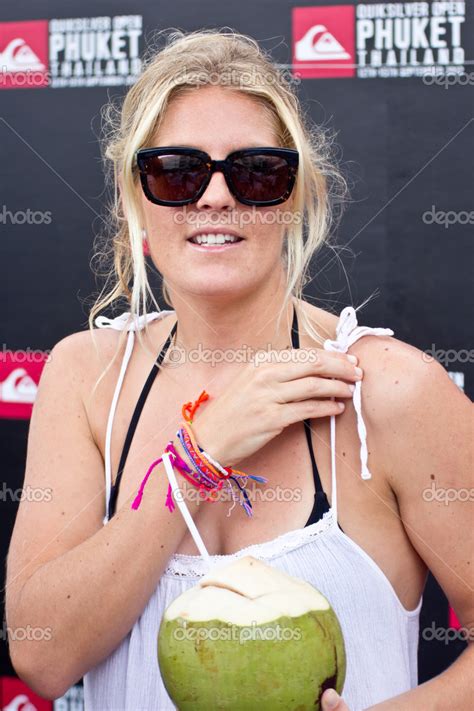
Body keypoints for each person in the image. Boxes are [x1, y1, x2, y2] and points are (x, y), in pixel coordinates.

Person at [5, 29, 472, 711]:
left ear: (295, 196)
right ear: (137, 199)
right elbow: (43, 657)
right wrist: (199, 455)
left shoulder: (385, 391)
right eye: (177, 171)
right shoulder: (87, 380)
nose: (216, 198)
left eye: (256, 172)